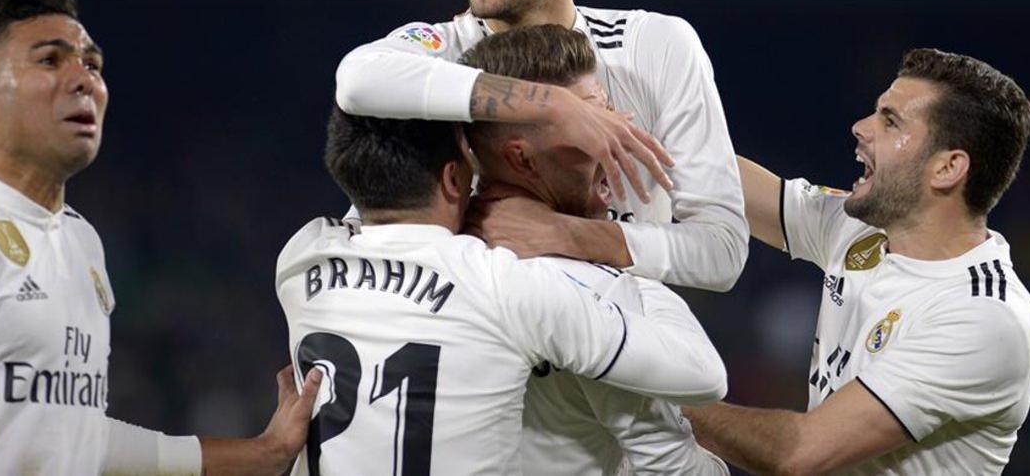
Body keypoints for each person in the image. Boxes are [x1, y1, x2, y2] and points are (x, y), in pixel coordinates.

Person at [0, 0, 322, 476]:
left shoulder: (81, 241)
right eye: (50, 61)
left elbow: (77, 437)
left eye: (92, 64)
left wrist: (264, 454)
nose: (83, 79)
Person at [335, 0, 748, 291]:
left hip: (620, 351)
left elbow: (722, 251)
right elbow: (355, 80)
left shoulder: (655, 46)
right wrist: (552, 105)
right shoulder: (443, 52)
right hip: (476, 357)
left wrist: (570, 236)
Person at [275, 106, 727, 475]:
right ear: (455, 179)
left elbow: (370, 166)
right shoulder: (509, 285)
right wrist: (610, 266)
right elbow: (703, 374)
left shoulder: (302, 257)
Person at [683, 48, 1030, 474]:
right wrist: (622, 126)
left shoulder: (984, 316)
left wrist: (655, 401)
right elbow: (717, 180)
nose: (860, 128)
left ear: (947, 168)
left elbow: (798, 454)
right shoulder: (865, 231)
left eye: (890, 121)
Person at [459, 25, 728, 475]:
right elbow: (672, 464)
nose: (621, 132)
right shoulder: (596, 297)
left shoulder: (433, 252)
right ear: (522, 158)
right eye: (593, 123)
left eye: (610, 111)